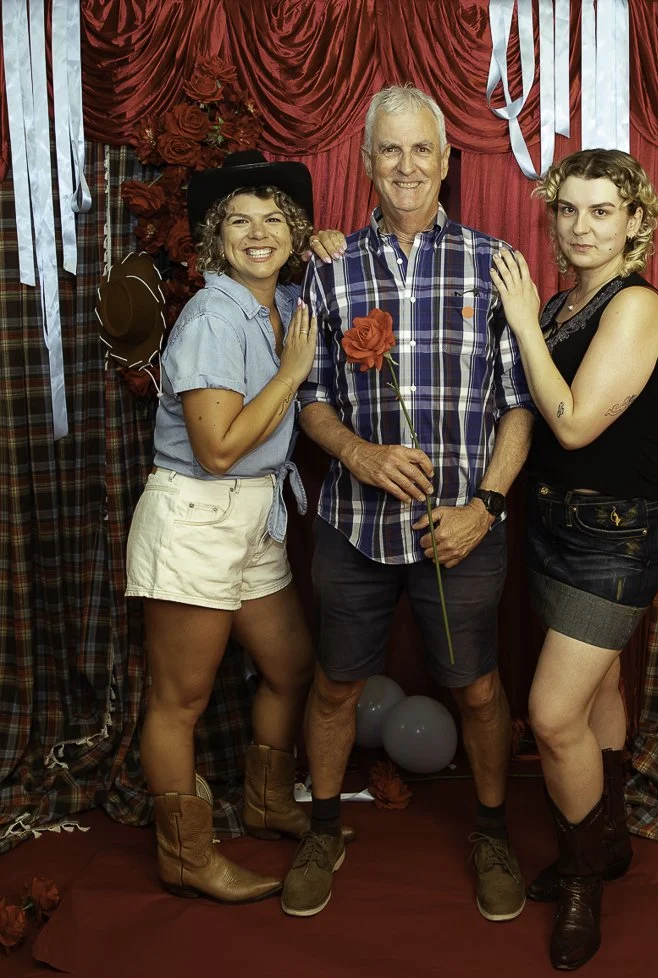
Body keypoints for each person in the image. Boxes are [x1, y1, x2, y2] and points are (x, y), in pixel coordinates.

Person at [282, 85, 535, 921]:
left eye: (421, 149)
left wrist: (485, 507)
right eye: (388, 151)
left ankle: (491, 830)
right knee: (334, 688)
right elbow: (310, 395)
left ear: (446, 161)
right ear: (365, 164)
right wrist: (356, 451)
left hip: (461, 531)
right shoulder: (331, 267)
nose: (406, 166)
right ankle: (323, 829)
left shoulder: (493, 263)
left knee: (479, 691)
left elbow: (519, 408)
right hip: (355, 529)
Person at [125, 151, 348, 903]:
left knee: (290, 667)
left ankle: (264, 799)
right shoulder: (214, 317)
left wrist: (330, 242)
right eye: (240, 223)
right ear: (217, 240)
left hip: (257, 513)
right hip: (197, 511)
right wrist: (290, 374)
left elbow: (330, 256)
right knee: (178, 701)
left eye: (274, 220)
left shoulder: (282, 300)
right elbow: (218, 448)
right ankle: (185, 854)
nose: (259, 234)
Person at [489, 149, 658, 969]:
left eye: (602, 210)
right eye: (569, 209)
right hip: (552, 524)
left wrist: (524, 324)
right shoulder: (568, 300)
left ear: (635, 222)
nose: (582, 225)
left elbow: (568, 424)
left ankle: (580, 879)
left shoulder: (635, 306)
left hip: (615, 537)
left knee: (553, 714)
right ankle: (611, 841)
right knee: (597, 692)